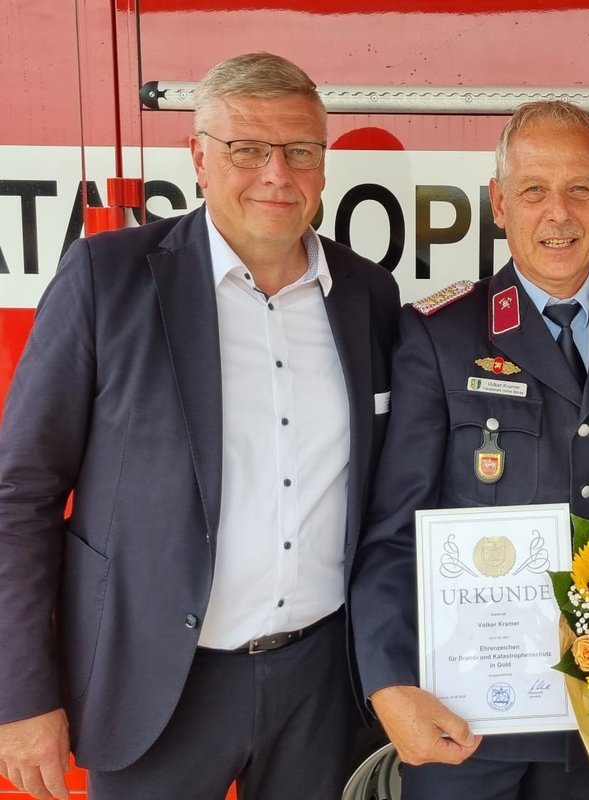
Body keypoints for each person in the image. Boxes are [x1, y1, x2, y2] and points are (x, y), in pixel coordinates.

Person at [0, 52, 399, 800]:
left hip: (320, 687)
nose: (276, 174)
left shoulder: (368, 295)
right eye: (247, 149)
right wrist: (19, 693)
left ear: (322, 164)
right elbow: (19, 494)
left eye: (300, 150)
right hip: (154, 685)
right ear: (199, 159)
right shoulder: (107, 278)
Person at [351, 100, 589, 800]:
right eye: (534, 190)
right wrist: (388, 682)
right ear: (499, 203)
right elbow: (394, 533)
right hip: (468, 724)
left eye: (578, 190)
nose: (557, 213)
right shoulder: (440, 335)